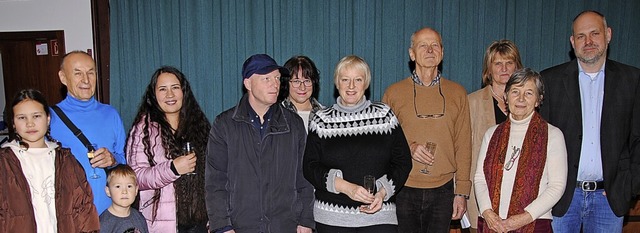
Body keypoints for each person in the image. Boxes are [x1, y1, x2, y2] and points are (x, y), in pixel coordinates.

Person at [539, 10, 640, 232]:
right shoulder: (549, 81)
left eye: (595, 33)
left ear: (608, 34)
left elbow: (637, 139)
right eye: (581, 36)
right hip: (562, 199)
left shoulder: (632, 80)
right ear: (572, 41)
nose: (589, 41)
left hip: (609, 200)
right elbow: (540, 140)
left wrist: (630, 186)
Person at [206, 54, 315, 233]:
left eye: (277, 78)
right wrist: (223, 226)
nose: (275, 84)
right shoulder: (224, 125)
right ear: (248, 83)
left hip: (285, 226)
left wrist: (306, 220)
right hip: (240, 227)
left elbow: (304, 177)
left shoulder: (293, 124)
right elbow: (215, 182)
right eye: (266, 79)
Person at [303, 55, 412, 232]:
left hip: (379, 216)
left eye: (358, 79)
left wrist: (383, 193)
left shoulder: (384, 115)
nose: (351, 86)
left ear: (366, 83)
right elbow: (309, 166)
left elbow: (403, 162)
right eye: (345, 79)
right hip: (332, 218)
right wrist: (346, 187)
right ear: (337, 83)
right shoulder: (321, 119)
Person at [382, 27, 472, 233]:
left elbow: (464, 145)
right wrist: (409, 147)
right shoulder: (393, 93)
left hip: (443, 191)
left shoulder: (458, 93)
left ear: (442, 52)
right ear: (412, 54)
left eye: (435, 45)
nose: (430, 50)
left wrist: (462, 193)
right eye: (423, 45)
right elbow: (384, 143)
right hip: (403, 188)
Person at [474, 68, 567, 232]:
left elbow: (556, 186)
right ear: (506, 97)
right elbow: (480, 178)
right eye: (515, 91)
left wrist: (523, 218)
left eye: (529, 93)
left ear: (539, 100)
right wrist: (487, 212)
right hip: (492, 224)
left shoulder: (552, 135)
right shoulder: (491, 134)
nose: (521, 98)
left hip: (534, 223)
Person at [0, 89, 99, 232]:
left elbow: (84, 210)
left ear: (47, 118)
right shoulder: (4, 163)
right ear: (13, 123)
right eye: (22, 118)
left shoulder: (66, 161)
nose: (30, 123)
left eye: (36, 116)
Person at [127, 66, 210, 232]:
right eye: (162, 89)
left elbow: (214, 176)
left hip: (201, 224)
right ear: (153, 95)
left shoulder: (199, 126)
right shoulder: (143, 131)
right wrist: (172, 168)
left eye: (175, 88)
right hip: (164, 225)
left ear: (184, 92)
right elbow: (135, 177)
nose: (170, 95)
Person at [50, 50, 127, 214]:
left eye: (90, 73)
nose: (86, 80)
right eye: (77, 73)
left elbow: (126, 160)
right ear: (63, 77)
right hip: (70, 216)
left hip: (110, 215)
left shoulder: (111, 114)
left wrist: (113, 159)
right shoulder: (50, 118)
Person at [467, 39, 523, 232]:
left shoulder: (528, 103)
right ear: (488, 70)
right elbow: (463, 151)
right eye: (498, 63)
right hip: (483, 195)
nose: (504, 68)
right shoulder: (471, 102)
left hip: (520, 195)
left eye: (509, 63)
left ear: (517, 67)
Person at [279, 55, 324, 130]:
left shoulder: (326, 116)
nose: (302, 87)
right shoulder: (276, 115)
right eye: (296, 81)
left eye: (307, 81)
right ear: (286, 83)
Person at [100, 164, 149, 233]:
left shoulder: (139, 217)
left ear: (136, 190)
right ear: (108, 191)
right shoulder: (103, 223)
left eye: (129, 186)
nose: (124, 191)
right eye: (118, 186)